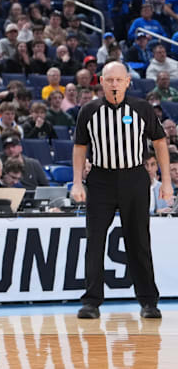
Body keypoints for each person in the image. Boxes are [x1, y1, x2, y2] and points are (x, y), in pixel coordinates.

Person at [71, 62, 170, 320]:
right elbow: (80, 147)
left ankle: (149, 301)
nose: (114, 84)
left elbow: (160, 142)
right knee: (95, 241)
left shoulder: (142, 109)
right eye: (109, 80)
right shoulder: (88, 111)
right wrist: (77, 182)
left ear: (128, 81)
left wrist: (166, 181)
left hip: (134, 177)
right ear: (101, 81)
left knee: (139, 241)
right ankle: (91, 301)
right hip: (101, 180)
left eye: (119, 80)